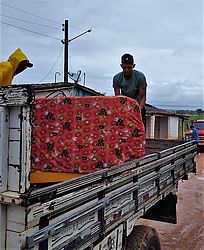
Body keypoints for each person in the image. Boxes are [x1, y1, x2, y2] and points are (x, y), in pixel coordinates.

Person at [113, 53, 147, 126]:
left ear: (133, 66)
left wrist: (138, 111)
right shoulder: (116, 78)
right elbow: (117, 98)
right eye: (124, 68)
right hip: (124, 107)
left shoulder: (140, 77)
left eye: (129, 68)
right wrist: (122, 110)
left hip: (138, 106)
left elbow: (142, 97)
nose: (127, 70)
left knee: (140, 130)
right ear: (121, 66)